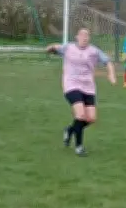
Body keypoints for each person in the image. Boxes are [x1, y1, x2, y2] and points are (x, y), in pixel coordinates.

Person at [47, 28, 116, 156]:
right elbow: (55, 48)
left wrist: (111, 75)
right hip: (71, 85)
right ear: (77, 37)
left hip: (88, 87)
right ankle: (79, 147)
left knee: (91, 119)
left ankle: (70, 130)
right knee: (80, 115)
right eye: (82, 35)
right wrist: (50, 48)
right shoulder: (68, 48)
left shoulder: (94, 51)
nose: (85, 37)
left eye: (87, 35)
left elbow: (108, 62)